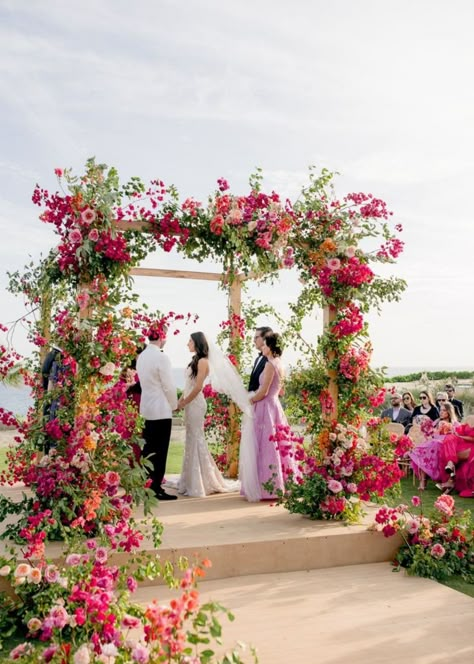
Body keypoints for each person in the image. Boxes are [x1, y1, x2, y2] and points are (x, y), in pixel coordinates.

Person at [174, 332, 240, 497]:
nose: (187, 343)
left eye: (189, 341)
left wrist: (185, 402)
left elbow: (197, 388)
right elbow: (188, 385)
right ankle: (190, 479)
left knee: (197, 438)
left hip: (196, 404)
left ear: (196, 343)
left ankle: (203, 480)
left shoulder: (203, 362)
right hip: (190, 403)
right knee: (191, 438)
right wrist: (179, 401)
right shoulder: (194, 361)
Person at [249, 332, 296, 500]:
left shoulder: (270, 364)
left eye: (264, 345)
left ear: (270, 346)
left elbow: (263, 391)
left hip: (266, 407)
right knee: (277, 445)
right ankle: (281, 484)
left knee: (265, 446)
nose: (262, 347)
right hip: (275, 406)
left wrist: (249, 401)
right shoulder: (280, 364)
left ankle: (267, 487)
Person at [136, 328, 178, 501]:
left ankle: (146, 485)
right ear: (162, 338)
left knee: (148, 450)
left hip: (146, 408)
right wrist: (174, 404)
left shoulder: (142, 356)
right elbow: (168, 385)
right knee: (160, 451)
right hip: (161, 409)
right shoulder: (162, 357)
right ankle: (156, 487)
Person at [409, 401, 458, 490]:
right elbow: (430, 433)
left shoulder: (455, 424)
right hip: (432, 442)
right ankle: (423, 480)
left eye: (444, 410)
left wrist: (448, 429)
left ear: (449, 412)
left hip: (444, 444)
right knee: (424, 449)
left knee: (433, 445)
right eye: (440, 410)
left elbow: (456, 435)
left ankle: (424, 480)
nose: (441, 412)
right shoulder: (436, 422)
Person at [248, 326, 273, 393]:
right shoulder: (257, 359)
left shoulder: (271, 360)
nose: (254, 341)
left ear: (265, 338)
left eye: (256, 337)